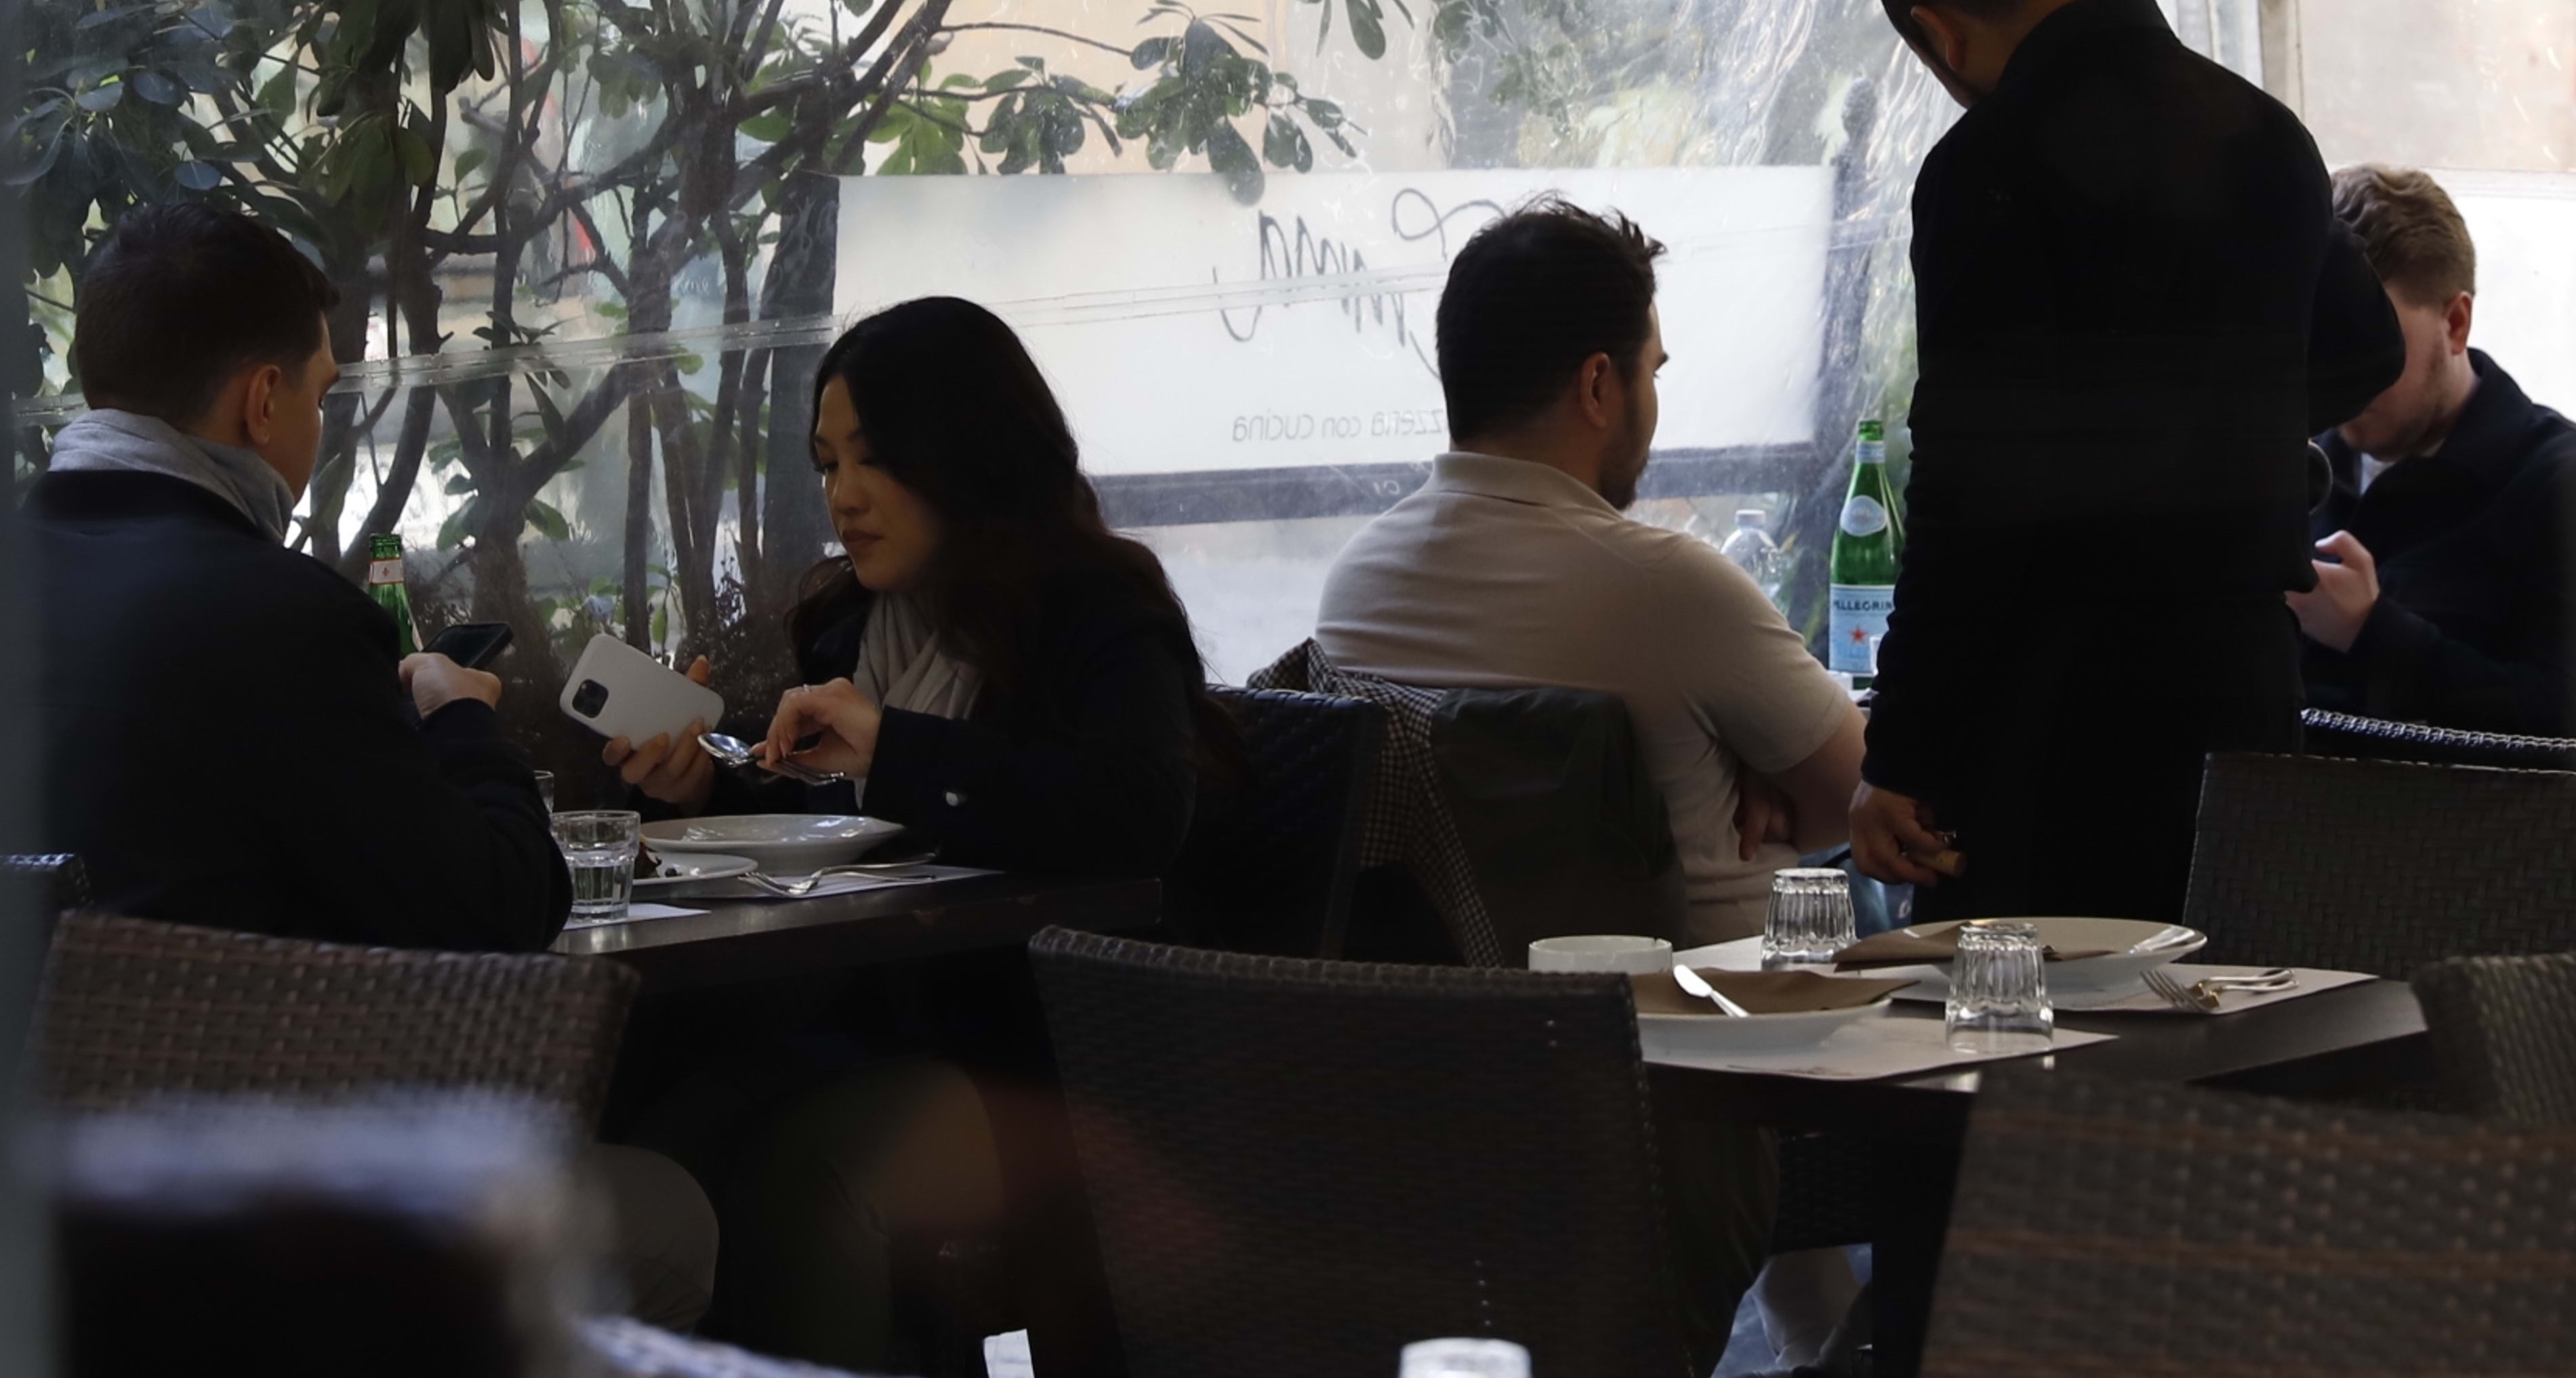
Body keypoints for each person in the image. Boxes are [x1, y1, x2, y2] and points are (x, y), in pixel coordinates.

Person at [30, 202, 715, 1333]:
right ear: (263, 401)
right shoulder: (268, 618)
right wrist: (456, 721)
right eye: (320, 392)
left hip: (46, 1244)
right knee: (671, 1215)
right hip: (236, 1246)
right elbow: (499, 914)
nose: (315, 424)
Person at [1312, 199, 1867, 1377]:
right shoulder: (1661, 584)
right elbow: (1856, 807)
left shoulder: (1353, 590)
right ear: (1601, 387)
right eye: (1655, 371)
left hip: (1426, 1123)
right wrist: (1760, 789)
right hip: (1688, 1121)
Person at [613, 296, 1219, 1371]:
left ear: (966, 455)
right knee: (666, 1130)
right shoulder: (865, 626)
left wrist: (897, 749)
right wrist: (705, 785)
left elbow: (1138, 816)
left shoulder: (1096, 613)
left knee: (810, 1174)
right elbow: (852, 829)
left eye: (873, 460)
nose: (843, 497)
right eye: (826, 464)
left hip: (1059, 1059)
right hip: (891, 1025)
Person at [1845, 0, 2406, 924]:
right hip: (2242, 696)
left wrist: (1901, 752)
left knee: (2029, 1061)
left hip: (2048, 719)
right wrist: (2223, 422)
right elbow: (2365, 352)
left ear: (1938, 34)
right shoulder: (2262, 133)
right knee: (2229, 1026)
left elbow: (1964, 491)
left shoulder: (1984, 171)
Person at [2294, 164, 2576, 736]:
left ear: (2456, 323)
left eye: (2381, 348)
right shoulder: (2288, 461)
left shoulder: (2570, 486)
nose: (2344, 379)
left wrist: (2370, 632)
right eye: (2325, 341)